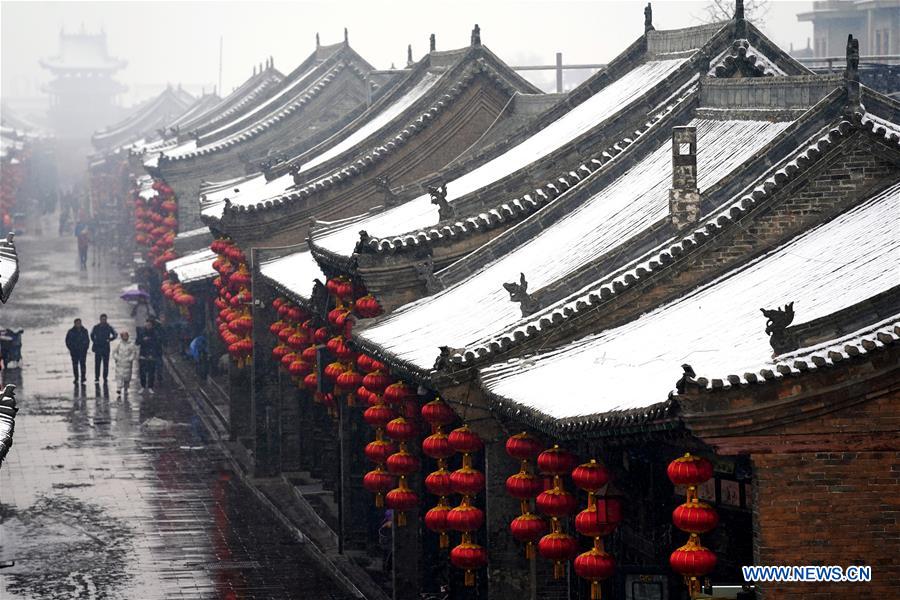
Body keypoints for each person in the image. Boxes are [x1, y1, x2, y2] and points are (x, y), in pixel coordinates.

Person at [136, 318, 162, 394]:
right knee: (142, 372)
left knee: (151, 372)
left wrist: (150, 340)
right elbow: (137, 342)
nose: (147, 326)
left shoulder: (155, 333)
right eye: (146, 324)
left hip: (152, 355)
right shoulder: (142, 332)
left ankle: (150, 386)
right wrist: (143, 340)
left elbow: (157, 343)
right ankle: (143, 386)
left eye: (149, 325)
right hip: (143, 354)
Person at [90, 314, 117, 383]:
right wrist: (95, 341)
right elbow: (92, 335)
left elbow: (115, 334)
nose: (103, 321)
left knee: (106, 363)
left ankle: (105, 377)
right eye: (102, 319)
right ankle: (97, 377)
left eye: (104, 319)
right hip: (98, 347)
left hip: (106, 347)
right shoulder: (96, 327)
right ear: (100, 319)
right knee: (97, 363)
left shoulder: (109, 327)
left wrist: (110, 339)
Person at [112, 331, 138, 397]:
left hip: (127, 364)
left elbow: (134, 352)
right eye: (124, 336)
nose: (125, 337)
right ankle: (119, 388)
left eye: (126, 336)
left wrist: (130, 359)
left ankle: (126, 389)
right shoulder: (119, 344)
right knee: (119, 376)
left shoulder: (131, 345)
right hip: (120, 363)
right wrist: (117, 358)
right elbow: (114, 352)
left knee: (127, 378)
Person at [65, 319, 90, 384]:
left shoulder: (84, 331)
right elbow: (67, 341)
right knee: (75, 365)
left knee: (83, 365)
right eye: (77, 323)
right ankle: (76, 378)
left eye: (79, 323)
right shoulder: (71, 332)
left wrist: (85, 348)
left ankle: (83, 378)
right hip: (74, 351)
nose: (78, 324)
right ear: (74, 324)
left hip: (82, 351)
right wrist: (71, 348)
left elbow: (87, 340)